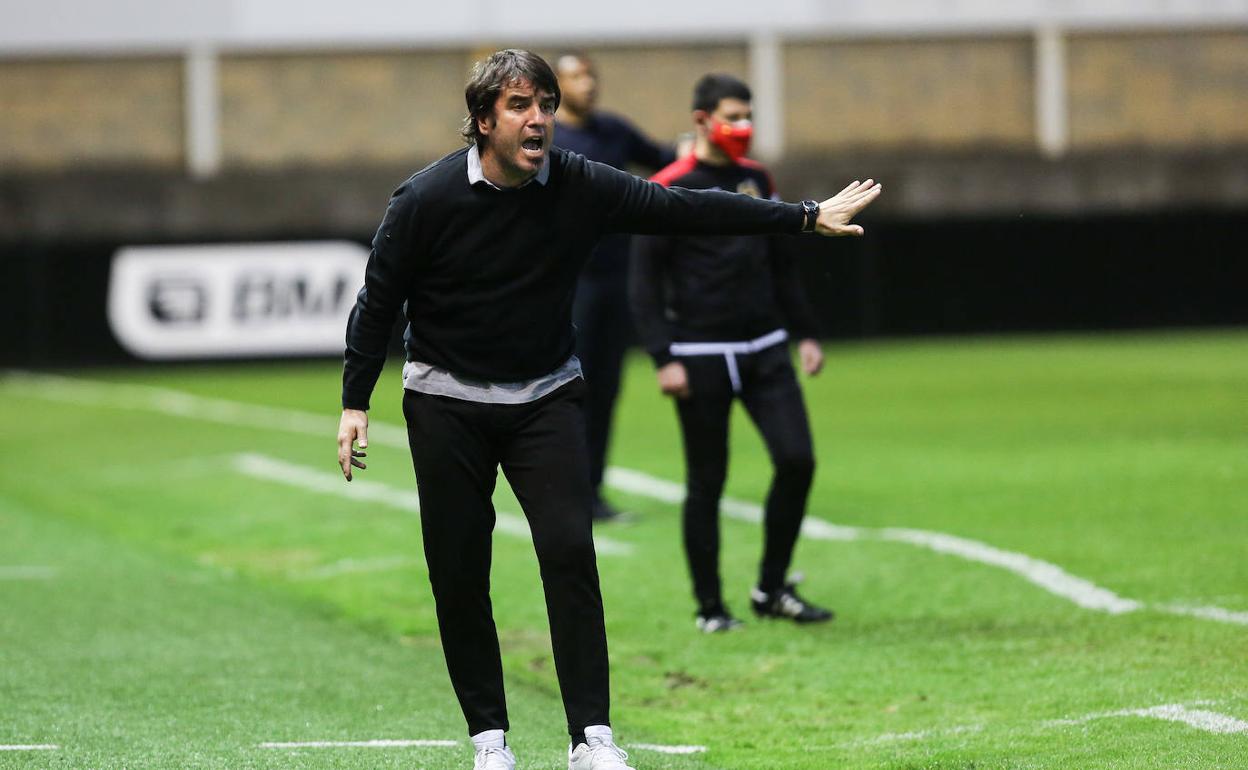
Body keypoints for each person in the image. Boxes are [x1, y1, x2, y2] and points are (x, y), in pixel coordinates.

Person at [335, 49, 880, 770]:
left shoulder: (580, 184)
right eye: (521, 106)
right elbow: (377, 301)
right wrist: (355, 402)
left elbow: (685, 208)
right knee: (460, 573)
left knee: (570, 552)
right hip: (446, 402)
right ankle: (490, 742)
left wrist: (804, 218)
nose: (539, 119)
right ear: (483, 120)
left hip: (545, 395)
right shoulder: (425, 199)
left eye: (546, 105)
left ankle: (591, 739)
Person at [630, 74, 835, 634]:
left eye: (748, 116)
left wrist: (805, 332)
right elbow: (644, 283)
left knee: (797, 460)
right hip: (700, 351)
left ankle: (771, 588)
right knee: (707, 480)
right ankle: (711, 608)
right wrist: (663, 357)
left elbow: (781, 262)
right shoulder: (668, 187)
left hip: (765, 347)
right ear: (702, 120)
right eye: (732, 117)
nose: (743, 127)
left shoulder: (757, 178)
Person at [554, 52, 676, 521]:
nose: (587, 84)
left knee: (606, 388)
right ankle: (563, 491)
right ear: (558, 86)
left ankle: (593, 492)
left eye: (590, 76)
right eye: (575, 77)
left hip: (616, 278)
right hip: (572, 284)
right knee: (572, 388)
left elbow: (665, 161)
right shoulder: (548, 138)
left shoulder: (613, 131)